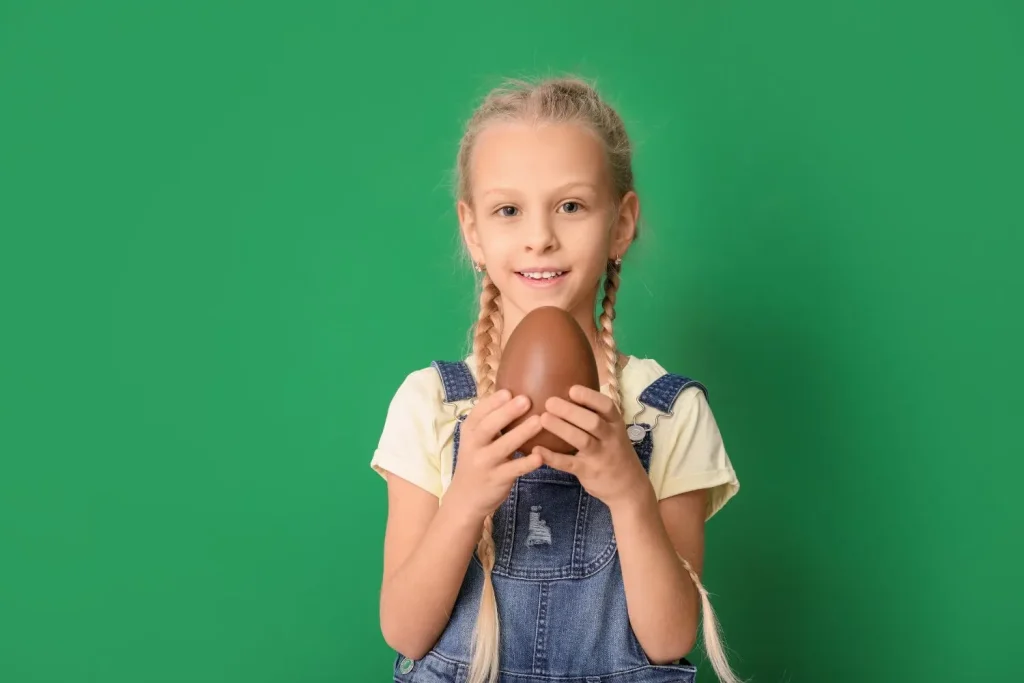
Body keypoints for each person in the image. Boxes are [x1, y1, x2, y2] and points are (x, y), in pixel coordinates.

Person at [370, 75, 742, 683]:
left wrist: (629, 493)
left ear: (621, 223)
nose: (540, 238)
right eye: (508, 210)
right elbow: (405, 631)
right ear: (473, 232)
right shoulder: (432, 404)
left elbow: (670, 640)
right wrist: (465, 499)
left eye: (571, 206)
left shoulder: (667, 412)